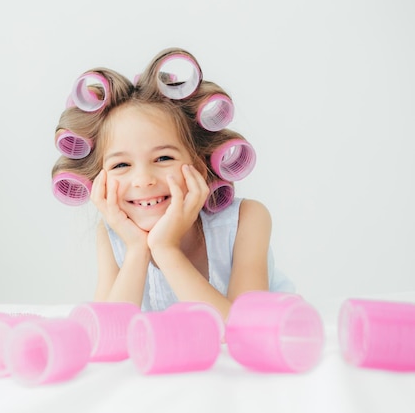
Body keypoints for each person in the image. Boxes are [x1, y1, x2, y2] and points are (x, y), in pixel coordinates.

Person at [51, 48, 294, 319]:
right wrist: (137, 249)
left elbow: (242, 327)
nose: (143, 180)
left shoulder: (246, 220)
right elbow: (108, 330)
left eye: (163, 157)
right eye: (121, 165)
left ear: (200, 167)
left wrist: (166, 249)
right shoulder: (112, 234)